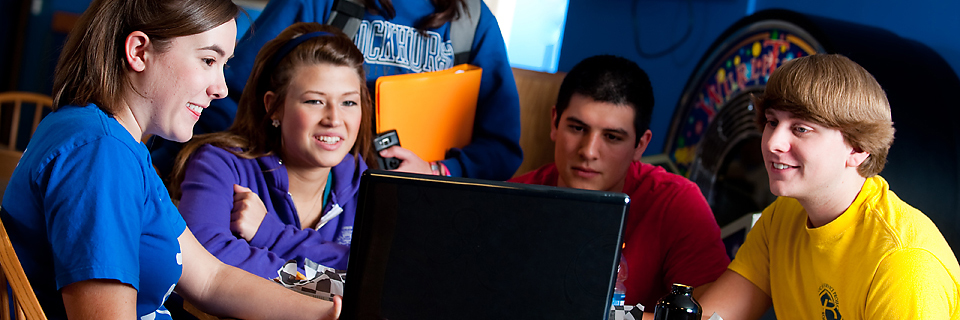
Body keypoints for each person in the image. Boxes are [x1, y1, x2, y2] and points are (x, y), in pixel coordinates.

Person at [0, 1, 340, 319]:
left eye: (224, 66)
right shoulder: (101, 154)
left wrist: (330, 312)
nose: (221, 88)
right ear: (138, 51)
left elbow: (211, 278)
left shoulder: (116, 144)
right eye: (209, 60)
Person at [693, 54, 960, 319]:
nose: (773, 142)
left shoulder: (903, 262)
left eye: (800, 129)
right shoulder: (783, 215)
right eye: (772, 122)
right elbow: (715, 317)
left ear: (858, 148)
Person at [148, 0, 523, 181]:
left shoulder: (474, 23)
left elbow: (501, 149)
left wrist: (440, 171)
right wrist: (275, 163)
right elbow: (226, 93)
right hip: (292, 193)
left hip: (409, 202)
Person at [509, 55, 730, 309]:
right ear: (555, 123)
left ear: (641, 145)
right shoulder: (513, 198)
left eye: (612, 137)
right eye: (577, 128)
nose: (589, 151)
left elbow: (712, 315)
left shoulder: (676, 204)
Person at [169, 22, 374, 278]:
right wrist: (333, 276)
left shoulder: (366, 182)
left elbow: (383, 272)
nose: (334, 118)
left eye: (348, 102)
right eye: (315, 101)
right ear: (274, 107)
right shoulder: (219, 164)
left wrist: (271, 234)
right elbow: (203, 259)